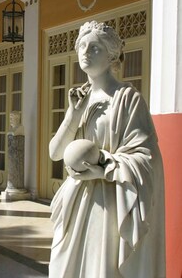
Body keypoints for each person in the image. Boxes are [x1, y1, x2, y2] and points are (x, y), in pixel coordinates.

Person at [48, 21, 165, 278]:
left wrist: (102, 167)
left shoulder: (128, 98)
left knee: (99, 269)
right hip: (76, 198)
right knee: (62, 266)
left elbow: (147, 158)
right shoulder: (79, 99)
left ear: (111, 54)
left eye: (95, 47)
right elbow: (55, 153)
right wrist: (72, 115)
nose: (86, 52)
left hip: (109, 199)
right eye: (82, 46)